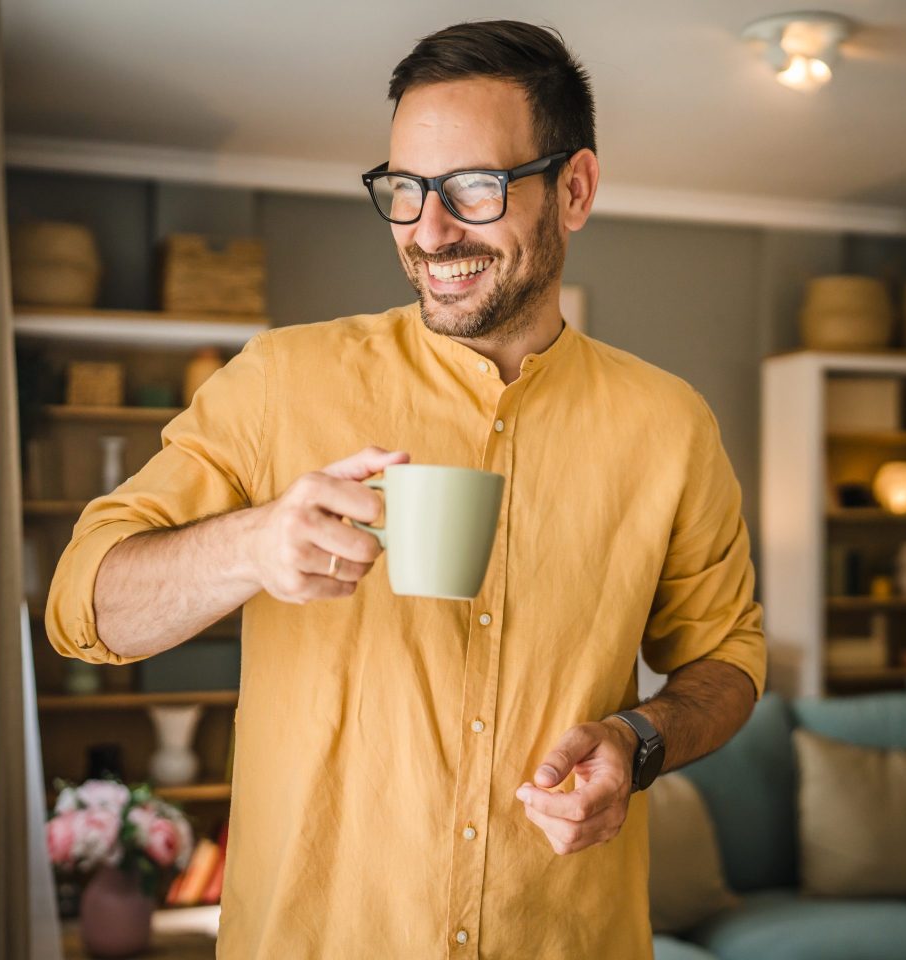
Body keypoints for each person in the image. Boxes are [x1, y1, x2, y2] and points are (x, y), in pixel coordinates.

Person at [46, 20, 765, 959]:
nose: (428, 231)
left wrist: (640, 741)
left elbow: (729, 659)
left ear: (575, 189)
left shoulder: (670, 425)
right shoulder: (278, 381)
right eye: (404, 190)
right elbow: (82, 605)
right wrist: (251, 544)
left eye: (473, 186)